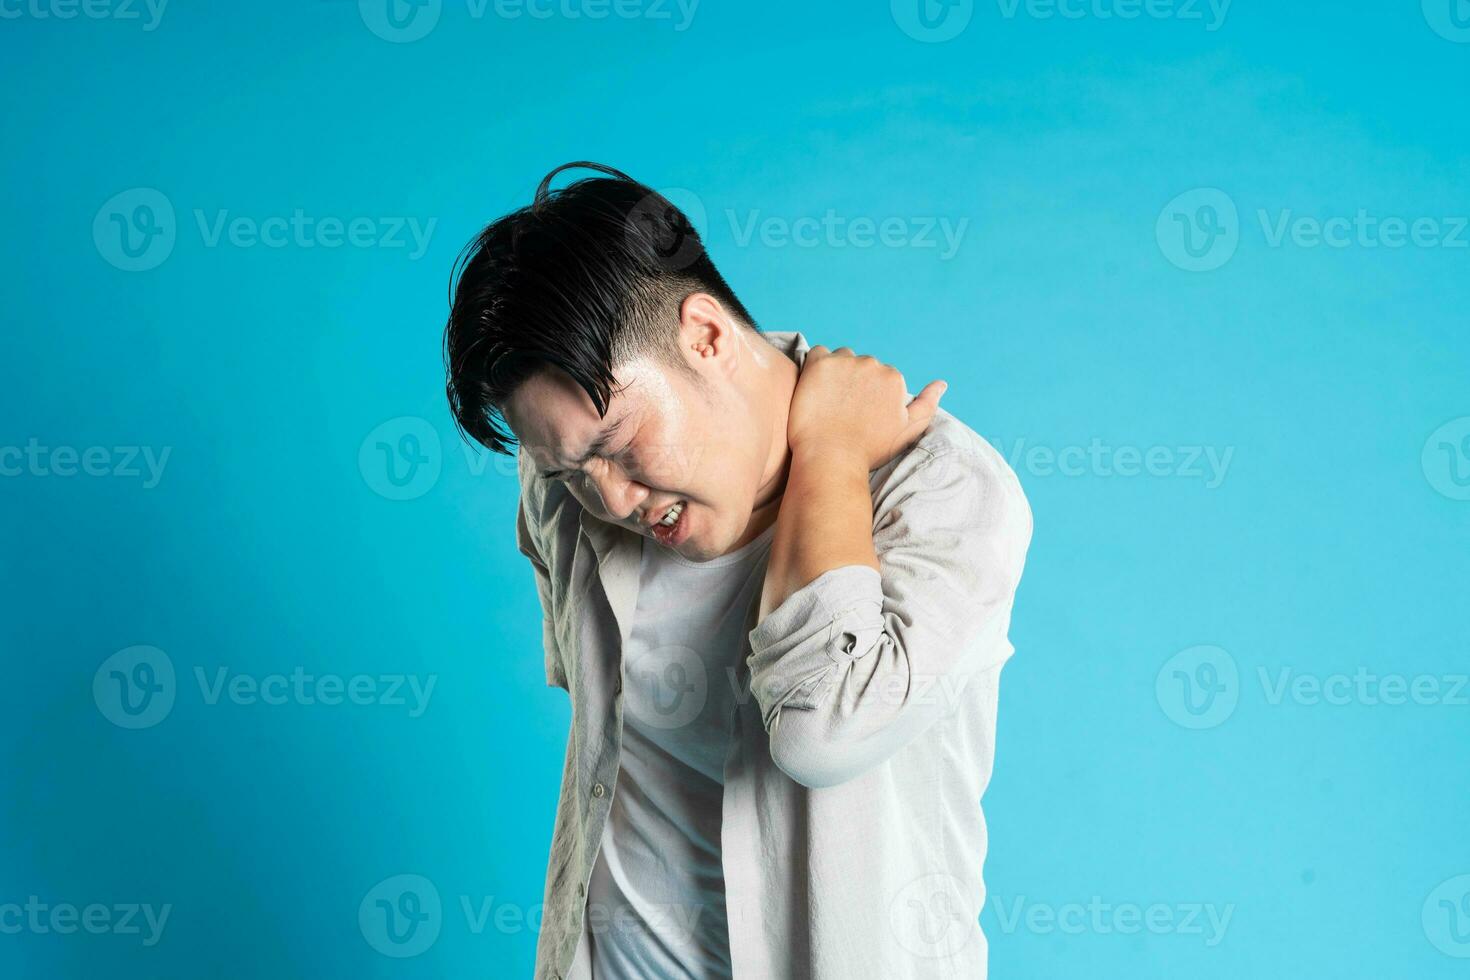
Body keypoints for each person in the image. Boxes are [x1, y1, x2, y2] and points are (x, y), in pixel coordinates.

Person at [442, 162, 1033, 979]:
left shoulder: (940, 489)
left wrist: (827, 446)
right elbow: (595, 711)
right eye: (571, 468)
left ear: (706, 336)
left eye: (616, 448)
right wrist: (577, 467)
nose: (610, 497)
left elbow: (824, 732)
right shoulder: (568, 484)